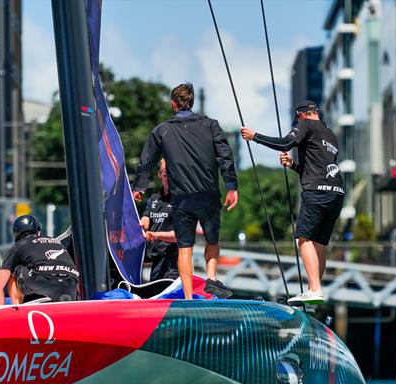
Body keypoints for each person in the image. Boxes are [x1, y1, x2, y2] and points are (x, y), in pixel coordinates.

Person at [133, 82, 238, 299]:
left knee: (184, 248)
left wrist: (140, 186)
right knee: (212, 239)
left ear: (173, 104)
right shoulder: (211, 125)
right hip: (209, 195)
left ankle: (189, 298)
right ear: (191, 102)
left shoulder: (162, 130)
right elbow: (225, 156)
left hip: (182, 199)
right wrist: (231, 186)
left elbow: (147, 161)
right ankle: (211, 278)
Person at [241, 100, 344, 306]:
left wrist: (255, 137)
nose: (297, 124)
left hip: (316, 194)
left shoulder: (306, 124)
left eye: (297, 120)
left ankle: (314, 289)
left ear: (302, 114)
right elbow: (318, 169)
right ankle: (314, 289)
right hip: (337, 193)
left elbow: (285, 143)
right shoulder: (330, 134)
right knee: (319, 244)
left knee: (303, 239)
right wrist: (294, 166)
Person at [0, 214, 79, 305]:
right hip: (71, 282)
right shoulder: (55, 241)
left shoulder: (18, 246)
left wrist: (3, 309)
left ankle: (17, 310)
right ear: (39, 232)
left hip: (42, 279)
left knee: (13, 271)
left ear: (16, 235)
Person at [141, 160, 179, 281]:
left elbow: (180, 235)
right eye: (165, 173)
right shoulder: (154, 199)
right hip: (156, 261)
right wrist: (142, 223)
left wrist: (156, 235)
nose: (169, 176)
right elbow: (145, 219)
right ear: (160, 175)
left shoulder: (181, 200)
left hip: (173, 263)